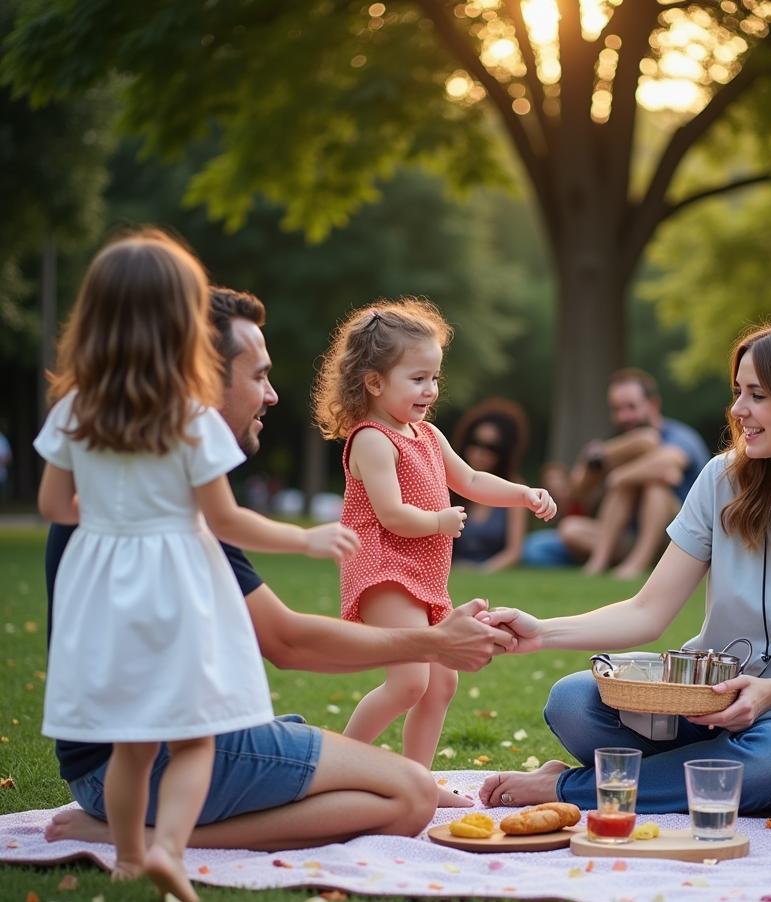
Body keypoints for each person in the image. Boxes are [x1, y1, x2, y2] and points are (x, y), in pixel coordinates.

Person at [43, 285, 516, 854]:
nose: (271, 396)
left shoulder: (111, 496)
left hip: (124, 757)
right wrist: (436, 641)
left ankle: (140, 826)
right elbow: (289, 642)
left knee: (363, 761)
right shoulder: (167, 510)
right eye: (258, 375)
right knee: (410, 795)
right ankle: (136, 835)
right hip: (158, 755)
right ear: (197, 386)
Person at [479, 319, 771, 815]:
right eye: (739, 392)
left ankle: (573, 788)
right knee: (574, 702)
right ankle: (693, 774)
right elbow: (647, 611)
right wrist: (540, 631)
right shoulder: (723, 480)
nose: (738, 410)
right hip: (701, 703)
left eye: (757, 395)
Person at [33, 230, 355, 902]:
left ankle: (125, 856)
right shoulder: (191, 419)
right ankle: (170, 850)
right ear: (183, 325)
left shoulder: (72, 411)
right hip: (176, 585)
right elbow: (230, 521)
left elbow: (54, 504)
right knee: (196, 738)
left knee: (132, 744)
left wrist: (113, 522)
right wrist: (305, 540)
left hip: (103, 588)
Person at [311, 300, 556, 767]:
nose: (430, 390)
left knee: (442, 680)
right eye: (418, 378)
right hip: (383, 570)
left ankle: (417, 777)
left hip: (422, 574)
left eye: (435, 378)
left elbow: (472, 481)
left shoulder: (427, 434)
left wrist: (523, 494)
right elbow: (391, 515)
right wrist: (440, 522)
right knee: (409, 682)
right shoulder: (371, 439)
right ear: (375, 381)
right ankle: (336, 765)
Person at [522, 368, 710, 579]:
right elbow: (575, 491)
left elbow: (668, 462)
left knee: (653, 485)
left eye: (631, 407)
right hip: (629, 538)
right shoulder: (618, 442)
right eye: (616, 409)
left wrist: (618, 476)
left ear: (653, 404)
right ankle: (599, 563)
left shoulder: (680, 436)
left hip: (679, 540)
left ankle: (636, 565)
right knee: (570, 529)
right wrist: (601, 457)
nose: (624, 416)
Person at [451, 397, 531, 573]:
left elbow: (514, 552)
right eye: (475, 443)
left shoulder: (515, 489)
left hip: (489, 571)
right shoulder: (450, 483)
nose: (480, 453)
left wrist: (481, 571)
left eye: (491, 448)